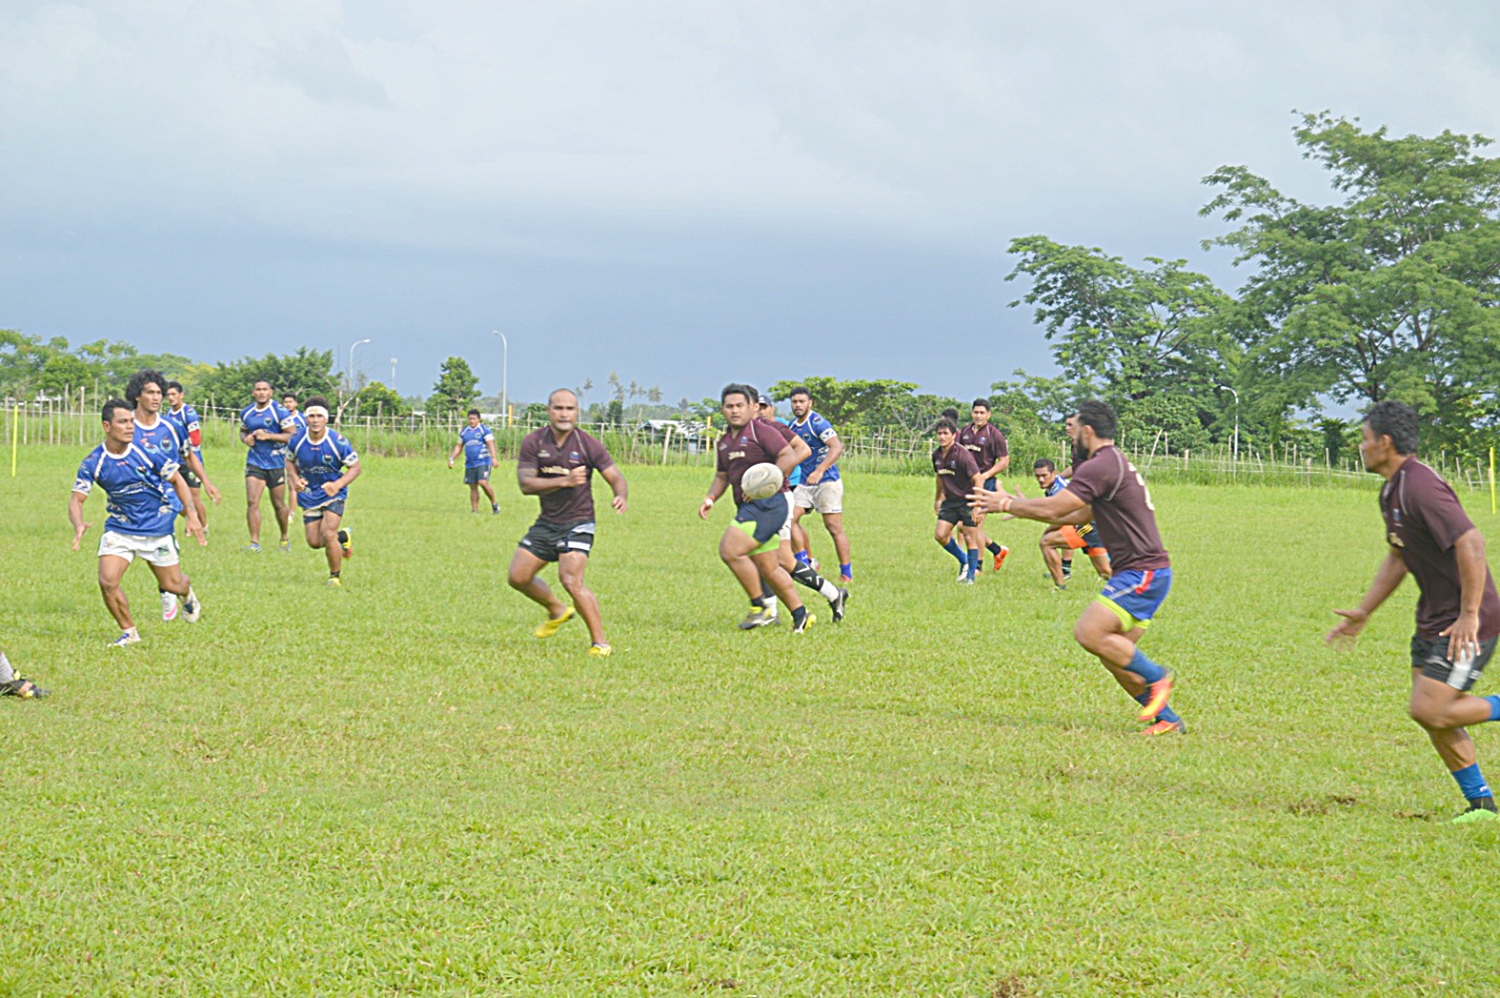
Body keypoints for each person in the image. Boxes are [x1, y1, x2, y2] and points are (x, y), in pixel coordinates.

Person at [1326, 401, 1500, 823]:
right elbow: (1399, 556)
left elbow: (1471, 544)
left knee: (1430, 709)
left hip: (1468, 620)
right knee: (1432, 715)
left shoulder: (1421, 487)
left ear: (1385, 443)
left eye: (1365, 438)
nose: (1360, 445)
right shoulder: (1392, 490)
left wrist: (1469, 615)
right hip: (1434, 617)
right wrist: (1365, 610)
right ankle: (1481, 807)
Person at [972, 401, 1185, 735]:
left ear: (1088, 431)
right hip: (1145, 572)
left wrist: (1009, 503)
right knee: (1114, 656)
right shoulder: (1110, 463)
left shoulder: (1100, 465)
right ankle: (1168, 719)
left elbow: (1059, 507)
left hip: (1142, 572)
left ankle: (1159, 678)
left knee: (1089, 632)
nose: (1071, 436)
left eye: (1074, 428)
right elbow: (1078, 514)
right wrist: (1025, 510)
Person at [69, 399, 205, 647]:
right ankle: (129, 632)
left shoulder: (147, 451)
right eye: (123, 422)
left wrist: (192, 516)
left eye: (131, 421)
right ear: (107, 426)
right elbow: (77, 499)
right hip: (120, 529)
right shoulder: (93, 462)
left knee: (172, 584)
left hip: (157, 528)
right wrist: (78, 524)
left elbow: (178, 481)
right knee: (107, 581)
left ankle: (187, 596)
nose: (130, 427)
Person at [508, 389, 628, 656]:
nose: (564, 414)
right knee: (518, 577)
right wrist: (565, 480)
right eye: (559, 408)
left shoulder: (588, 444)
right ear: (549, 411)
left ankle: (600, 644)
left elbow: (616, 476)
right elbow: (526, 485)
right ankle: (557, 609)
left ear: (577, 413)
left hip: (579, 521)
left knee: (570, 579)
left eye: (570, 409)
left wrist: (620, 494)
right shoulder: (534, 442)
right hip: (547, 522)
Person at [129, 370, 219, 621]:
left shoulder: (172, 426)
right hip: (139, 493)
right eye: (151, 392)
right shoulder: (126, 425)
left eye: (160, 392)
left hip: (169, 489)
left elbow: (189, 456)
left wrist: (206, 482)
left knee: (162, 529)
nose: (157, 397)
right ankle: (173, 584)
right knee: (148, 543)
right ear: (138, 395)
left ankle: (168, 589)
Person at [284, 397, 361, 585]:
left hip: (333, 493)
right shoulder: (296, 440)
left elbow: (355, 468)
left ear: (326, 419)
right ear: (306, 419)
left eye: (319, 416)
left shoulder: (338, 442)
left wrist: (338, 485)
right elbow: (288, 461)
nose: (315, 420)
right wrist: (295, 480)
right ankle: (343, 536)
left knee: (327, 532)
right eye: (311, 416)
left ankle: (334, 577)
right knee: (314, 542)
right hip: (310, 494)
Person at [787, 386, 854, 584]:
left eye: (801, 401)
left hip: (827, 482)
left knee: (833, 527)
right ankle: (806, 564)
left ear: (810, 403)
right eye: (794, 402)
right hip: (805, 483)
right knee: (789, 519)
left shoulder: (817, 423)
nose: (798, 405)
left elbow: (836, 447)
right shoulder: (792, 426)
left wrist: (820, 470)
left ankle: (846, 573)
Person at [1033, 457, 1111, 590]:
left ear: (1054, 473)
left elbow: (1061, 517)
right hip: (1093, 525)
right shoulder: (1056, 485)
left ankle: (1060, 586)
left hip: (1088, 527)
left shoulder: (1059, 490)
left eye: (1044, 475)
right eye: (1037, 476)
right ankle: (1138, 587)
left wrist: (1047, 530)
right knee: (1105, 572)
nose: (1041, 479)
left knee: (1046, 542)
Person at [239, 380, 297, 552]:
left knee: (279, 505)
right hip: (255, 461)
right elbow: (243, 431)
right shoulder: (247, 412)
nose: (261, 392)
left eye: (265, 389)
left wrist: (269, 436)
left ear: (271, 392)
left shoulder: (280, 411)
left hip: (277, 462)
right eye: (258, 389)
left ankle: (284, 537)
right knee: (252, 501)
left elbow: (292, 436)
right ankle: (254, 543)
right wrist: (246, 439)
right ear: (253, 392)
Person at [959, 398, 1011, 572]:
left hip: (985, 484)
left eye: (982, 413)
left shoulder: (993, 434)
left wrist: (987, 474)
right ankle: (997, 550)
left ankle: (977, 567)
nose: (978, 416)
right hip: (966, 484)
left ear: (988, 415)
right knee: (962, 525)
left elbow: (1004, 461)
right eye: (976, 412)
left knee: (974, 525)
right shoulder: (964, 432)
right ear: (971, 413)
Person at [932, 418, 986, 583]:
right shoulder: (936, 455)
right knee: (940, 535)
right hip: (950, 501)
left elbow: (978, 480)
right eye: (939, 433)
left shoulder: (963, 455)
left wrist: (977, 506)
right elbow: (940, 478)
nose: (942, 437)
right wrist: (937, 499)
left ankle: (970, 577)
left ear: (954, 435)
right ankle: (964, 561)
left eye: (945, 433)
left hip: (968, 501)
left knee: (970, 537)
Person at [165, 381, 216, 532]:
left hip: (192, 461)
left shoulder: (189, 413)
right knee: (173, 496)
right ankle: (192, 521)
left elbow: (196, 439)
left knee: (194, 497)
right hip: (175, 462)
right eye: (168, 395)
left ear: (181, 395)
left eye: (173, 394)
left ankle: (204, 527)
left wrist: (180, 447)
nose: (171, 397)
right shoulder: (168, 413)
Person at [448, 408, 500, 513]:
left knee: (483, 482)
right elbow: (459, 447)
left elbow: (491, 444)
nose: (471, 421)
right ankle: (474, 510)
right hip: (470, 463)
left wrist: (494, 458)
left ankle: (494, 504)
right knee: (473, 486)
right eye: (470, 418)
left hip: (483, 461)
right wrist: (452, 458)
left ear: (479, 419)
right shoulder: (464, 432)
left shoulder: (484, 430)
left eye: (474, 419)